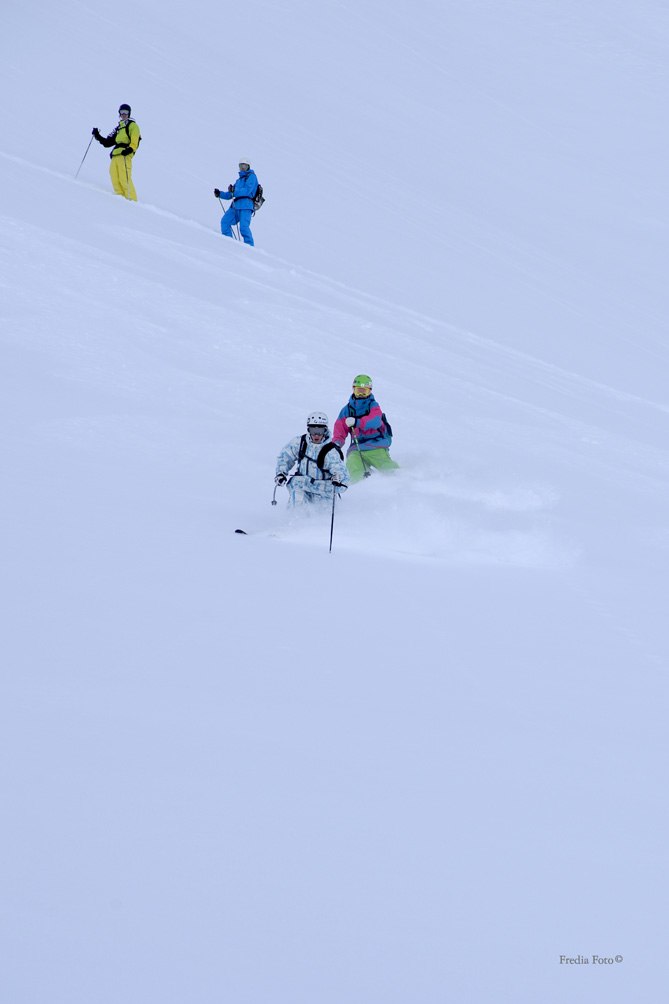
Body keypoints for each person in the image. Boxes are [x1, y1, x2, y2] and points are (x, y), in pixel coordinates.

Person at [332, 374, 399, 484]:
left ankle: (403, 481)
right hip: (356, 449)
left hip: (376, 445)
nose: (361, 394)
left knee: (389, 470)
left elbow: (375, 421)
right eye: (359, 391)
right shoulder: (347, 410)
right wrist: (337, 444)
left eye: (365, 391)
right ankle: (361, 490)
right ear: (353, 390)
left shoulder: (373, 406)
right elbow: (340, 429)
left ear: (370, 391)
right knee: (354, 469)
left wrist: (357, 422)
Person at [275, 412, 349, 506]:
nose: (316, 435)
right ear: (308, 430)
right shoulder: (300, 443)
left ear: (325, 431)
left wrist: (338, 479)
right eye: (313, 430)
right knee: (298, 497)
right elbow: (285, 456)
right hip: (302, 486)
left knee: (322, 515)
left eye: (320, 431)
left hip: (323, 490)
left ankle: (318, 518)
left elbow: (341, 473)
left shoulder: (331, 451)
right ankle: (295, 518)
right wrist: (281, 473)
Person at [92, 104, 141, 201]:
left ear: (129, 113)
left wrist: (130, 149)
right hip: (115, 155)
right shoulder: (119, 128)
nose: (123, 114)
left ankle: (132, 201)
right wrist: (97, 135)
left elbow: (135, 139)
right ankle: (120, 199)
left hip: (124, 154)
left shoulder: (132, 125)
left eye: (126, 112)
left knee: (124, 178)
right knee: (114, 176)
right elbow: (107, 142)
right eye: (121, 112)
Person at [214, 161, 258, 246]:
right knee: (225, 222)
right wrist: (220, 194)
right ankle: (229, 243)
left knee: (244, 228)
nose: (242, 167)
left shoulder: (252, 177)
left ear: (248, 166)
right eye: (240, 165)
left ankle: (250, 247)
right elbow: (231, 194)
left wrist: (234, 191)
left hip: (246, 205)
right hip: (236, 206)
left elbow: (247, 191)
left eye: (244, 165)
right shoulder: (239, 180)